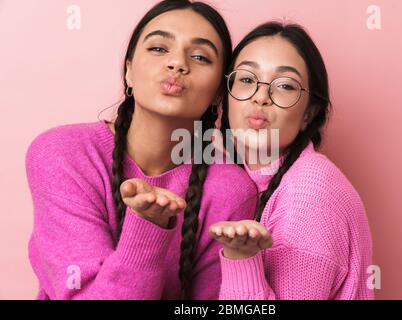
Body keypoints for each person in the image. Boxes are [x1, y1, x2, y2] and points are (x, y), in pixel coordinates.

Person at [25, 0, 257, 300]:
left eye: (200, 56)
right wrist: (148, 226)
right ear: (129, 71)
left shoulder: (231, 190)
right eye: (159, 48)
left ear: (217, 93)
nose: (177, 64)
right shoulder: (62, 155)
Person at [209, 22, 374, 299]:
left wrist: (240, 258)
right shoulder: (245, 177)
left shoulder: (310, 194)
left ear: (309, 114)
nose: (261, 97)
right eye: (247, 79)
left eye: (284, 85)